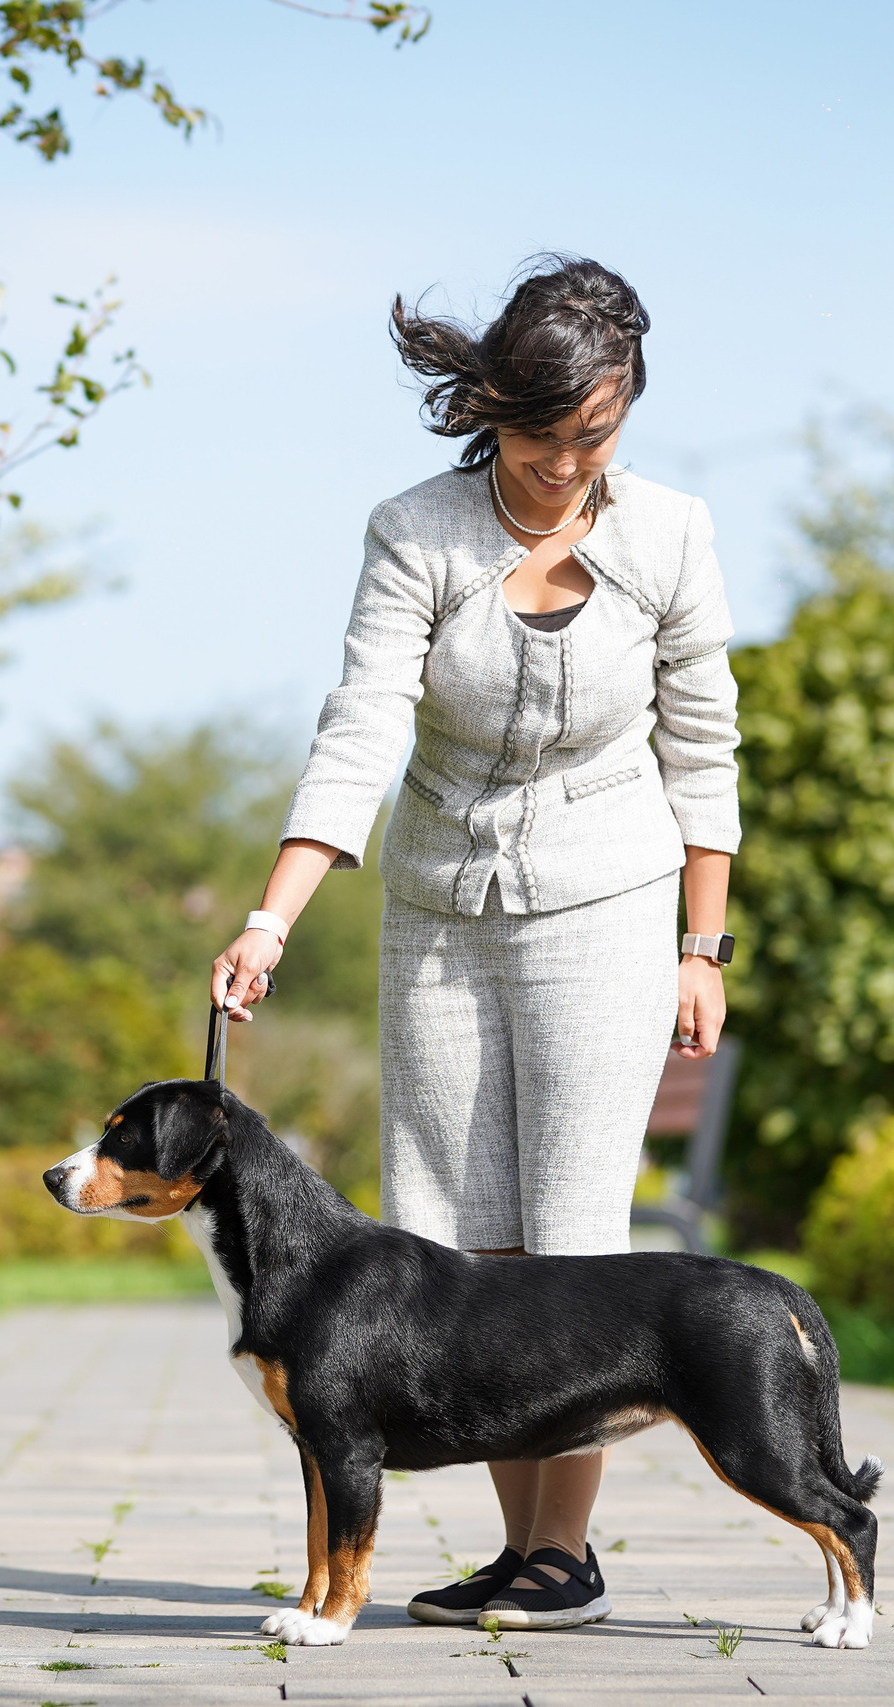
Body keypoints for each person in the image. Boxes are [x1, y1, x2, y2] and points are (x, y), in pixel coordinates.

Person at [208, 255, 741, 1631]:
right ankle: (520, 1552)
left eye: (596, 437)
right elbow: (362, 725)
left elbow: (705, 744)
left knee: (573, 1226)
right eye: (543, 434)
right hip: (440, 907)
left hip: (609, 900)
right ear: (490, 407)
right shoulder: (417, 533)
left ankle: (566, 1558)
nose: (568, 466)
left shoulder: (673, 534)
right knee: (453, 1242)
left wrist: (704, 946)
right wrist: (273, 916)